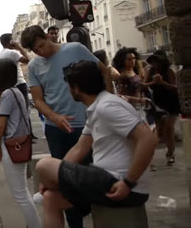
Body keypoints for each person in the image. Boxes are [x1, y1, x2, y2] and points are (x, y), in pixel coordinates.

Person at [35, 61, 156, 228]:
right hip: (104, 180)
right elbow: (79, 149)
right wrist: (52, 179)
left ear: (76, 88)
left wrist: (128, 182)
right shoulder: (97, 107)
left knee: (44, 165)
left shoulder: (106, 107)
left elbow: (148, 138)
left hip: (118, 182)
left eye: (68, 86)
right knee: (51, 199)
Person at [21, 25, 111, 228]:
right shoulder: (35, 66)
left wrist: (106, 101)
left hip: (87, 122)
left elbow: (104, 72)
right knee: (64, 180)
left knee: (93, 174)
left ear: (47, 37)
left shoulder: (75, 49)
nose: (40, 52)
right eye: (35, 50)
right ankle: (75, 224)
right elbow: (38, 99)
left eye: (41, 46)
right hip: (57, 129)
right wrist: (54, 117)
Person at [0, 59, 41, 228]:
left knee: (19, 193)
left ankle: (35, 225)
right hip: (21, 141)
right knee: (22, 190)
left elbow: (2, 125)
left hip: (12, 144)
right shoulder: (17, 92)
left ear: (2, 74)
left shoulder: (6, 94)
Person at [145, 49, 180, 166]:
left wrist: (162, 82)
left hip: (171, 103)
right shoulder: (150, 71)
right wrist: (153, 82)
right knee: (159, 131)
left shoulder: (169, 71)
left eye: (157, 61)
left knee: (169, 128)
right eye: (154, 62)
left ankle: (170, 154)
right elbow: (144, 85)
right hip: (157, 102)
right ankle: (153, 154)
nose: (155, 64)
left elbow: (176, 88)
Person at [0, 33, 31, 107]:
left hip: (8, 86)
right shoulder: (13, 53)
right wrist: (19, 47)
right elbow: (28, 60)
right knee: (25, 108)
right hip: (19, 83)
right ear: (11, 42)